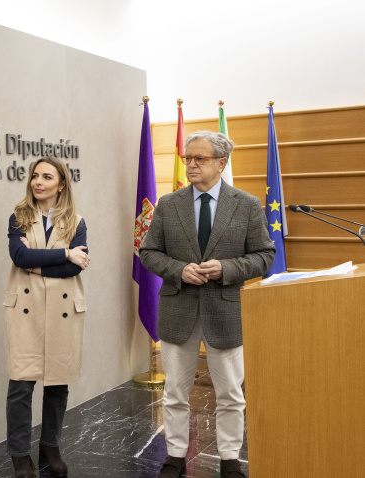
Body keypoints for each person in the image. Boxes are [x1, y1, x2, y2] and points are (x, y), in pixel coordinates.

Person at [139, 131, 275, 478]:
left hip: (225, 313)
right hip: (177, 310)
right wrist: (179, 270)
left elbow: (264, 256)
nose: (191, 165)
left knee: (230, 394)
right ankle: (174, 455)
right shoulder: (169, 204)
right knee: (175, 392)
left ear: (221, 163)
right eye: (188, 159)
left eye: (200, 159)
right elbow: (149, 252)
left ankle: (229, 459)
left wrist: (227, 269)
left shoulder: (246, 205)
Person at [4, 157, 90, 478]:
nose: (38, 182)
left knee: (57, 383)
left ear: (61, 184)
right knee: (21, 385)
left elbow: (74, 268)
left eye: (46, 177)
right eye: (35, 176)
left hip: (63, 310)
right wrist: (65, 252)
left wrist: (38, 264)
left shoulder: (77, 222)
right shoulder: (19, 216)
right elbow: (19, 255)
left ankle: (50, 446)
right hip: (25, 310)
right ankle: (19, 454)